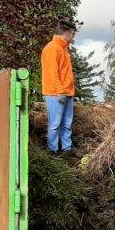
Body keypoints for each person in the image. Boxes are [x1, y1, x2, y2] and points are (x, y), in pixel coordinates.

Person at [40, 20, 76, 154]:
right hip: (55, 93)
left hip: (67, 92)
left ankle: (67, 148)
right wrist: (61, 91)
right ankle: (53, 150)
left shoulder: (64, 48)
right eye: (72, 33)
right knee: (55, 124)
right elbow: (52, 72)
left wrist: (68, 91)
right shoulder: (52, 48)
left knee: (66, 123)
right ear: (66, 33)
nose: (73, 36)